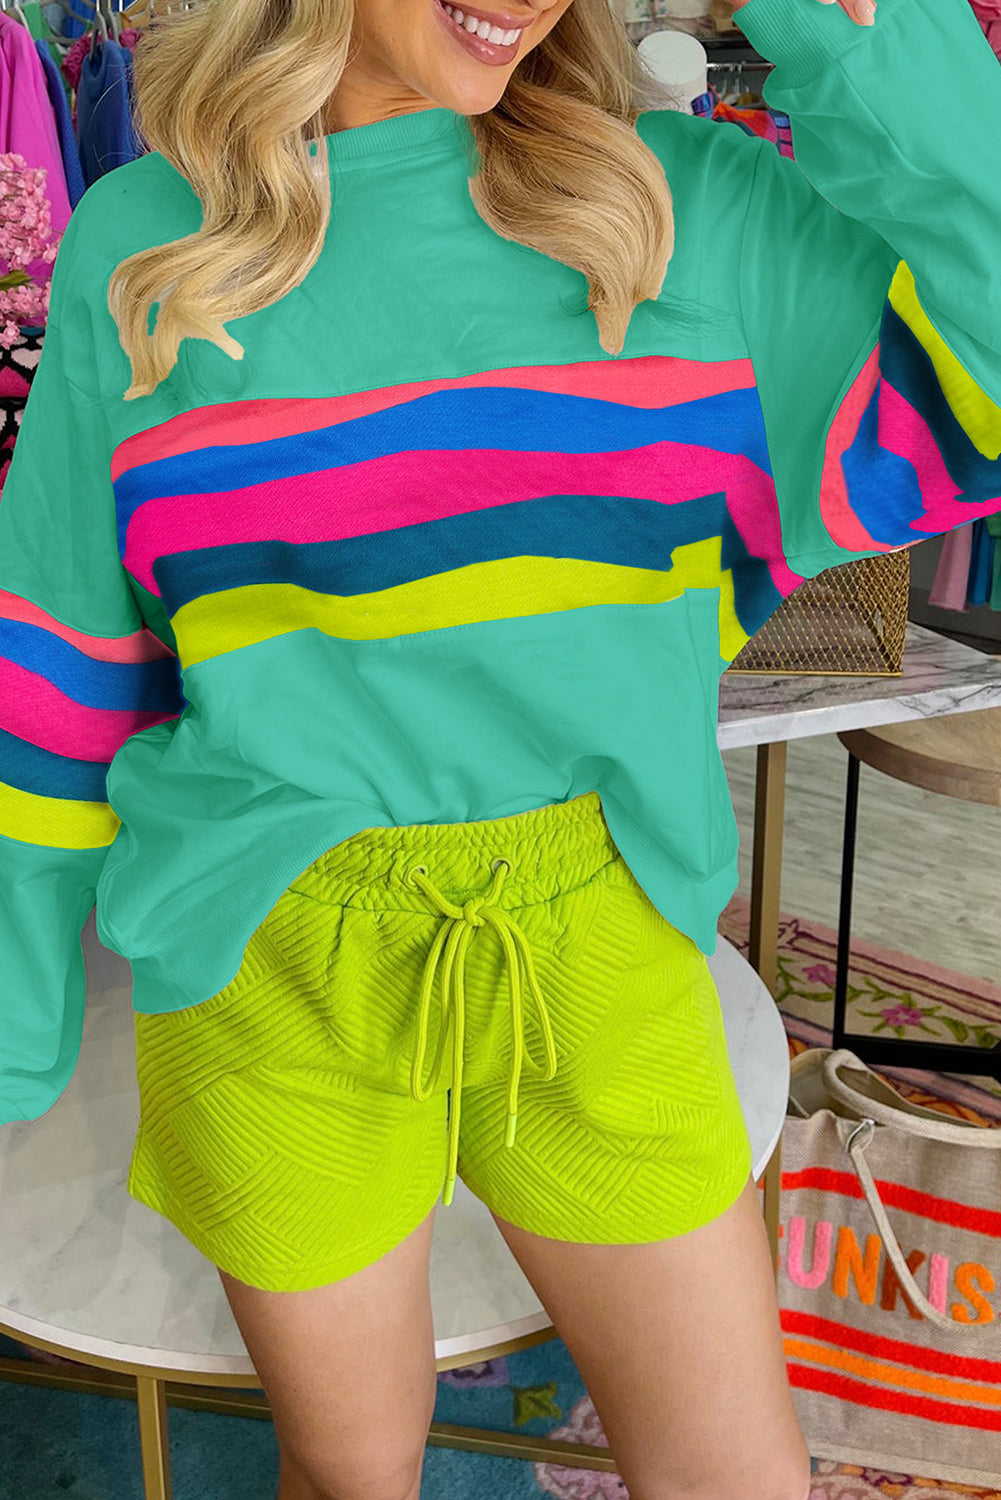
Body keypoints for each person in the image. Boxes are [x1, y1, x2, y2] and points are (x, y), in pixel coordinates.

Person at [1, 0, 999, 1496]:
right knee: (354, 1474)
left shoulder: (674, 207)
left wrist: (852, 31)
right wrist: (14, 1030)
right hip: (271, 953)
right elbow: (60, 662)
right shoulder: (152, 243)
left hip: (601, 934)